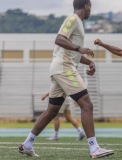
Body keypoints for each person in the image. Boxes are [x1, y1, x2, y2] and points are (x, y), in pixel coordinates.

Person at [18, 0, 114, 158]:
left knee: (51, 111)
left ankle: (27, 144)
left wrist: (89, 61)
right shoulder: (73, 19)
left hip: (60, 68)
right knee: (87, 105)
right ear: (87, 6)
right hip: (64, 68)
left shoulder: (78, 23)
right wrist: (79, 48)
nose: (91, 10)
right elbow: (59, 39)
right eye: (91, 7)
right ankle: (94, 148)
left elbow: (72, 52)